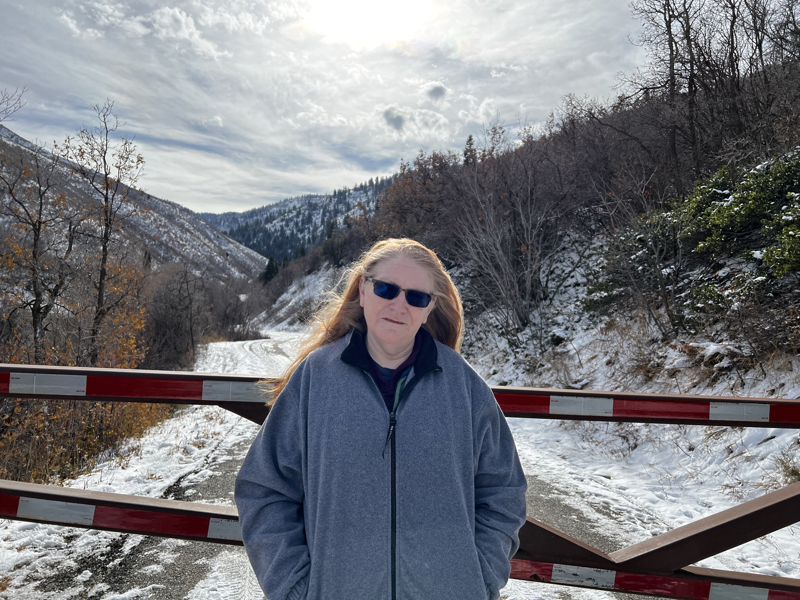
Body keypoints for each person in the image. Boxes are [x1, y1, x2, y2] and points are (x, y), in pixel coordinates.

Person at [235, 238, 527, 600]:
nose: (398, 305)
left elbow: (504, 492)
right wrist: (295, 589)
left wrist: (477, 580)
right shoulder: (315, 379)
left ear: (429, 307)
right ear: (363, 289)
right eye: (386, 289)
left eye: (416, 297)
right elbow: (264, 489)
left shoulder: (464, 386)